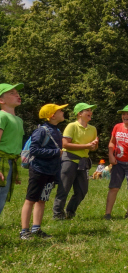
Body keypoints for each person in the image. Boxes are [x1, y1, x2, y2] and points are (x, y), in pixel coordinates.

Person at [20, 104, 66, 239]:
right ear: (52, 115)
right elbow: (34, 150)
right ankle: (24, 231)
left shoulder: (56, 130)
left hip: (50, 172)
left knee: (42, 199)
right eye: (60, 110)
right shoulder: (42, 131)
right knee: (30, 199)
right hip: (39, 170)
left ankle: (36, 229)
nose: (63, 112)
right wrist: (56, 152)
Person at [53, 103, 98, 220]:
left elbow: (93, 148)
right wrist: (86, 145)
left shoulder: (93, 129)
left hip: (83, 162)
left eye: (91, 110)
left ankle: (70, 212)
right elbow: (65, 144)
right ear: (79, 113)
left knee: (82, 191)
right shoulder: (71, 126)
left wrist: (93, 146)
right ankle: (57, 214)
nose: (90, 112)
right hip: (69, 159)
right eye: (87, 110)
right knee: (64, 189)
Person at [105, 104, 128, 220]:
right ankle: (107, 214)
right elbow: (112, 142)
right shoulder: (117, 127)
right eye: (123, 114)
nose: (125, 116)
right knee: (113, 187)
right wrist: (110, 155)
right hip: (118, 162)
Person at [0, 83, 23, 218]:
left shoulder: (18, 120)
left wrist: (14, 170)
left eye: (17, 92)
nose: (17, 95)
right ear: (1, 100)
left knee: (2, 197)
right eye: (12, 93)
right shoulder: (1, 116)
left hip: (10, 162)